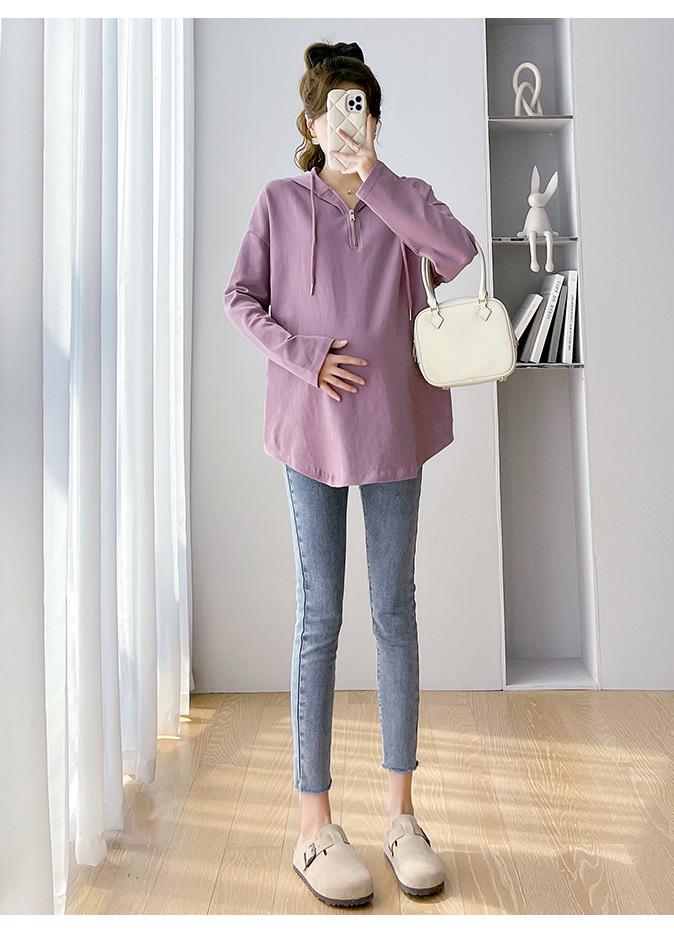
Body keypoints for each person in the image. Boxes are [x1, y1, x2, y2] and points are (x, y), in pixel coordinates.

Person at [223, 39, 478, 908]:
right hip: (309, 431)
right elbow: (240, 298)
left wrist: (379, 178)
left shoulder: (401, 200)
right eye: (336, 109)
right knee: (320, 615)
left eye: (361, 110)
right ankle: (314, 825)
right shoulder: (278, 202)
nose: (348, 123)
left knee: (394, 609)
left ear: (374, 122)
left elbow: (459, 253)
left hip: (394, 427)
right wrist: (304, 356)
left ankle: (402, 816)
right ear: (310, 122)